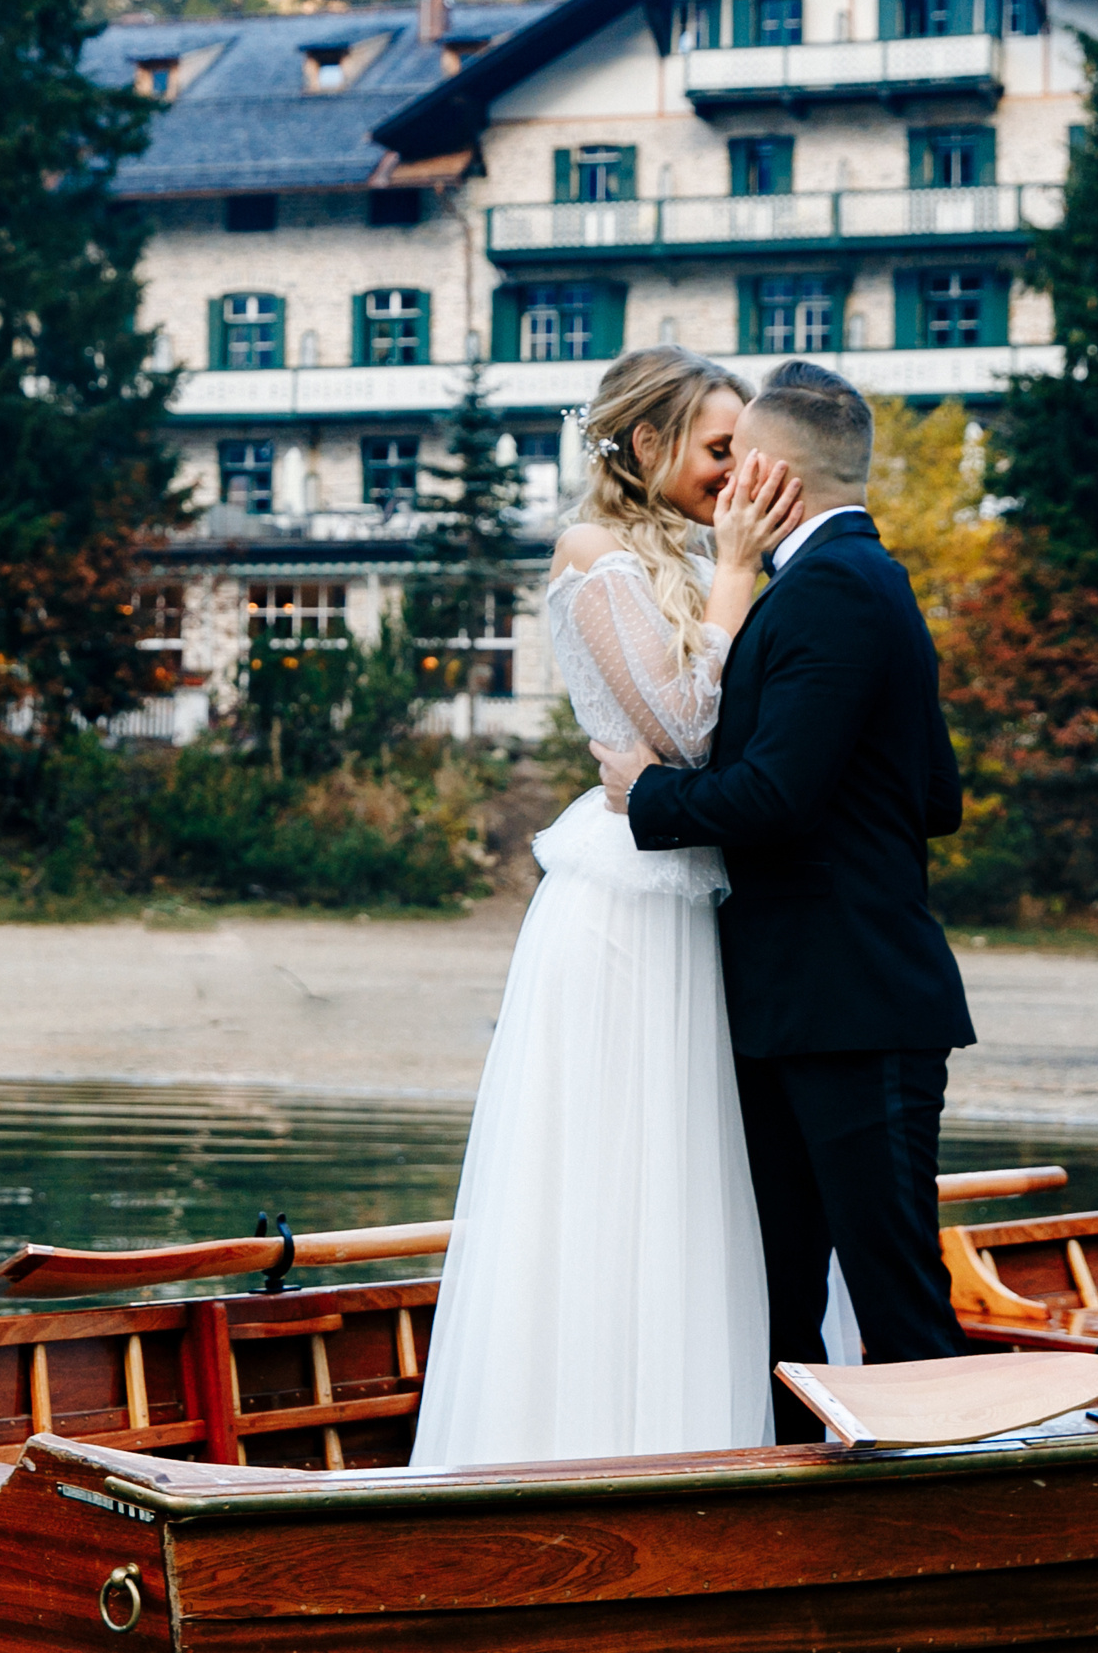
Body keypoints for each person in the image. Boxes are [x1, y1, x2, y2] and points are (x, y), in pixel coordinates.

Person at [410, 347, 805, 1466]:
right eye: (718, 450)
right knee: (609, 1175)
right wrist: (735, 573)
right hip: (621, 908)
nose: (737, 475)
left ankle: (700, 1441)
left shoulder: (690, 553)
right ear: (643, 446)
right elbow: (683, 726)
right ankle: (570, 1447)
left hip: (693, 900)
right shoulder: (595, 555)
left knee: (691, 1180)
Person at [595, 359, 975, 1443]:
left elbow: (774, 792)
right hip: (801, 1005)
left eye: (732, 455)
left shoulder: (831, 589)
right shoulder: (854, 580)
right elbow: (933, 797)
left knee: (895, 1297)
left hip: (852, 1005)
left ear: (770, 470)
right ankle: (805, 1509)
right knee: (785, 1299)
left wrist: (647, 794)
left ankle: (951, 1528)